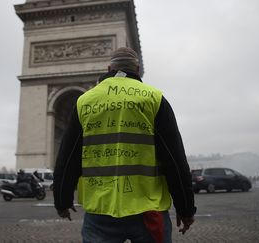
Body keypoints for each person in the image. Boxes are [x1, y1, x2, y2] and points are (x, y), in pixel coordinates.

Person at [53, 47, 197, 242]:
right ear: (137, 69)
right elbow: (175, 159)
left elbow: (68, 157)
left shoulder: (84, 102)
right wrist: (185, 208)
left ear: (109, 67)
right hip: (149, 210)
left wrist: (62, 200)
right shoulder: (154, 98)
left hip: (101, 210)